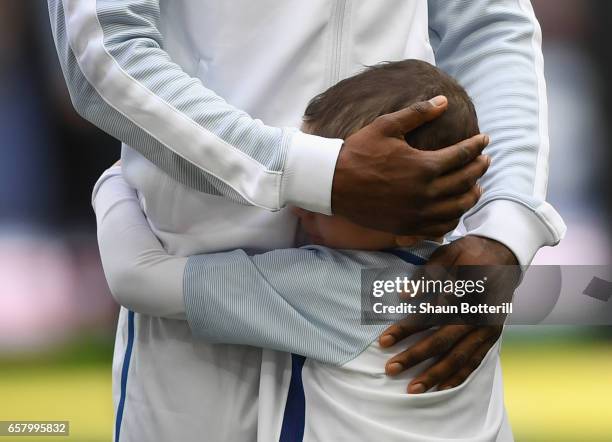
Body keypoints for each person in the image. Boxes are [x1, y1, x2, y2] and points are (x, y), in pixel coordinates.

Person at [49, 0, 566, 440]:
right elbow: (103, 44)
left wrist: (505, 231)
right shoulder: (408, 292)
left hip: (192, 283)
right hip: (196, 330)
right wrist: (315, 174)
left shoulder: (354, 292)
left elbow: (488, 24)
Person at [94, 59, 513, 441]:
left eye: (341, 190)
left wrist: (115, 180)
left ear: (410, 217)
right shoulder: (481, 285)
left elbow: (136, 278)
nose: (299, 203)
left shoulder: (332, 287)